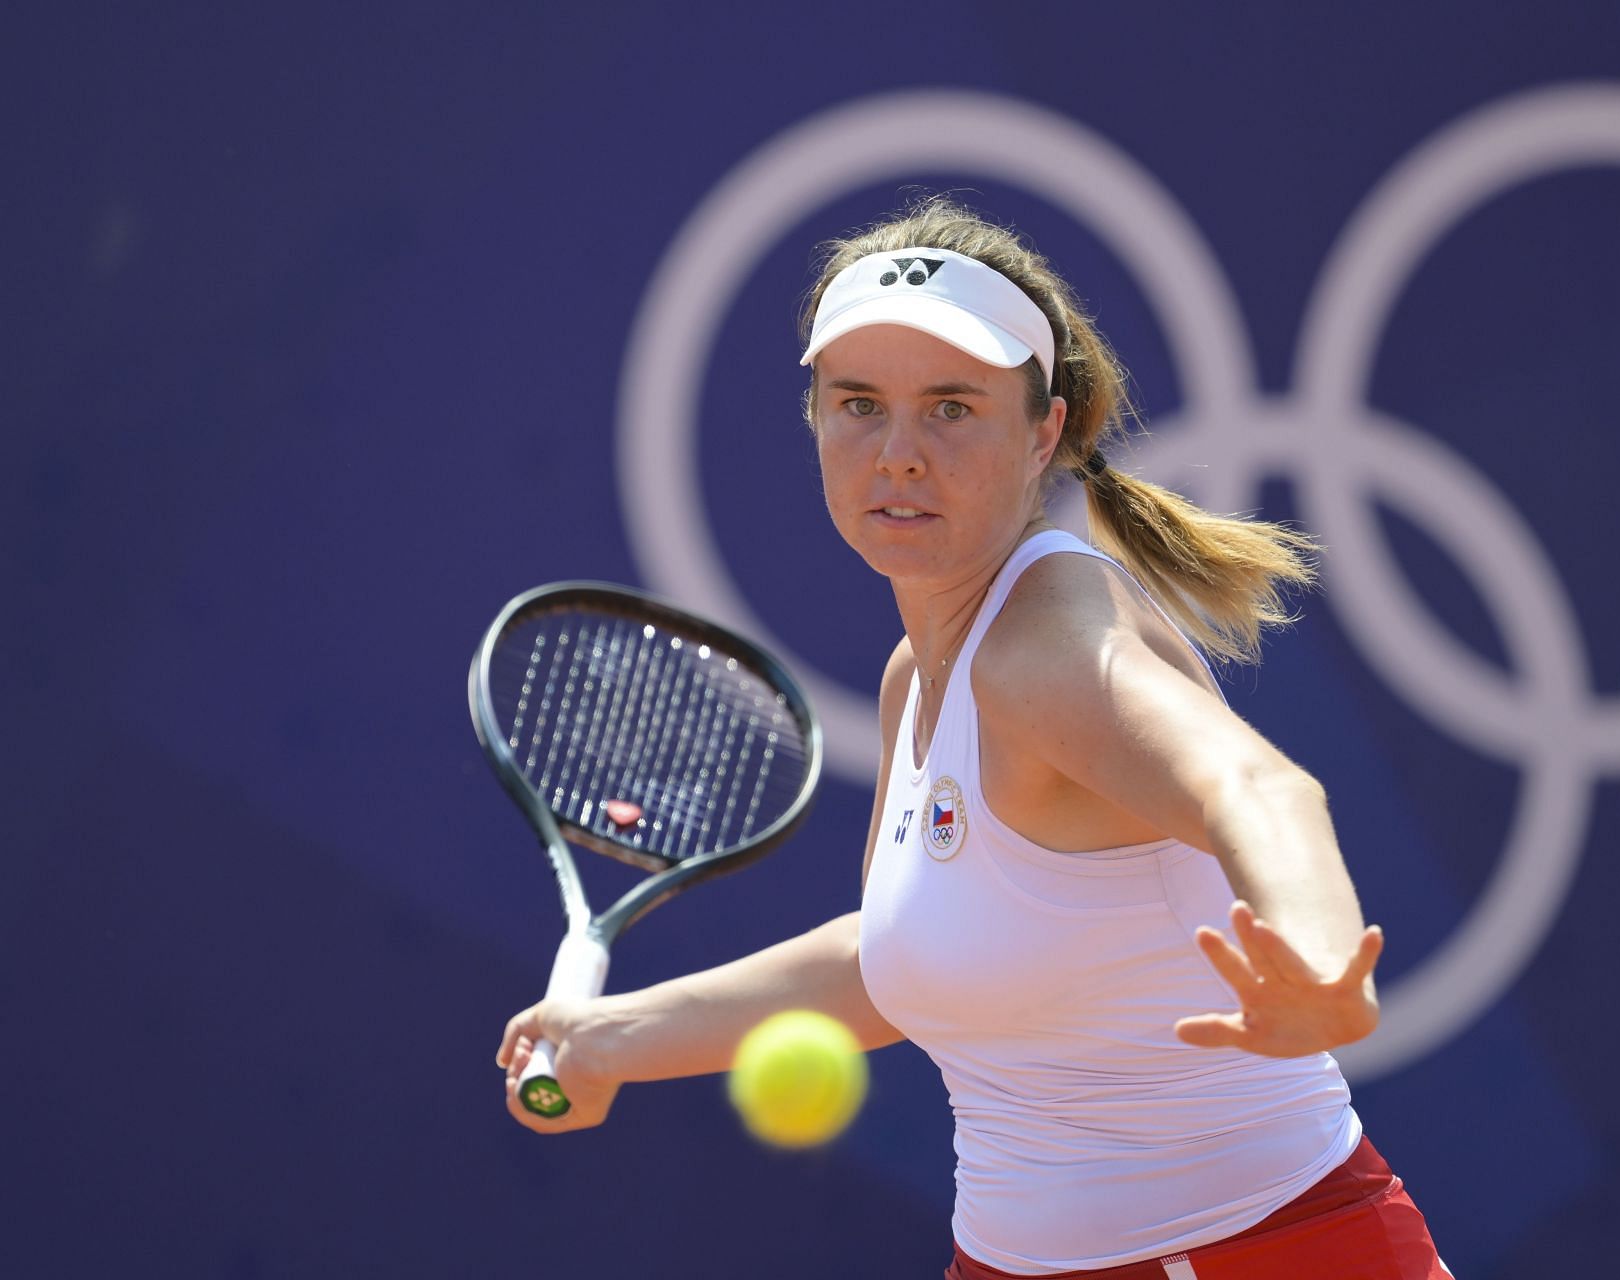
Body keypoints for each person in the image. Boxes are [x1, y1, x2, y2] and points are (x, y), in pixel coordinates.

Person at [497, 198, 1449, 1279]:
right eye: (858, 404)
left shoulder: (1041, 652)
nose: (898, 453)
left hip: (1250, 1255)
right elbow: (900, 957)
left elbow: (1258, 789)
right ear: (813, 418)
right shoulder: (924, 676)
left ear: (1044, 429)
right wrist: (610, 1037)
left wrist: (1320, 960)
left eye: (952, 407)